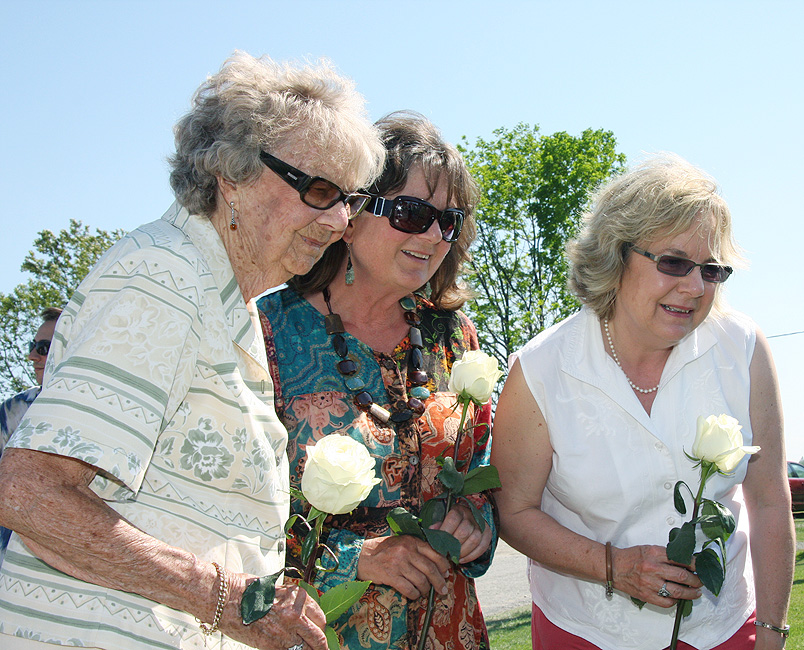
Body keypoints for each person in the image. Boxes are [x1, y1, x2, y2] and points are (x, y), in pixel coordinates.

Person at [0, 51, 384, 650]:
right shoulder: (165, 276)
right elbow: (28, 492)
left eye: (350, 199)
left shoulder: (227, 302)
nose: (340, 221)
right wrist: (226, 600)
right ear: (231, 177)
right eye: (319, 190)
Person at [491, 155, 794, 650]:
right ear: (616, 254)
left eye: (711, 270)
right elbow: (513, 510)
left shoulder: (742, 348)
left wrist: (772, 632)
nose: (695, 288)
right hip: (585, 631)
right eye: (673, 262)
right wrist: (613, 566)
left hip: (721, 629)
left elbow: (769, 500)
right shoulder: (542, 369)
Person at [258, 111, 496, 650]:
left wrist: (474, 521)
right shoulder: (266, 331)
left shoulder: (453, 335)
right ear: (352, 211)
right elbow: (232, 507)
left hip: (452, 631)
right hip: (321, 634)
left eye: (448, 221)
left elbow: (480, 470)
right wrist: (354, 559)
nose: (433, 235)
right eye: (412, 213)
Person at [0, 306, 62, 564]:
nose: (32, 356)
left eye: (43, 348)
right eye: (32, 346)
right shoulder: (14, 410)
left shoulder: (108, 412)